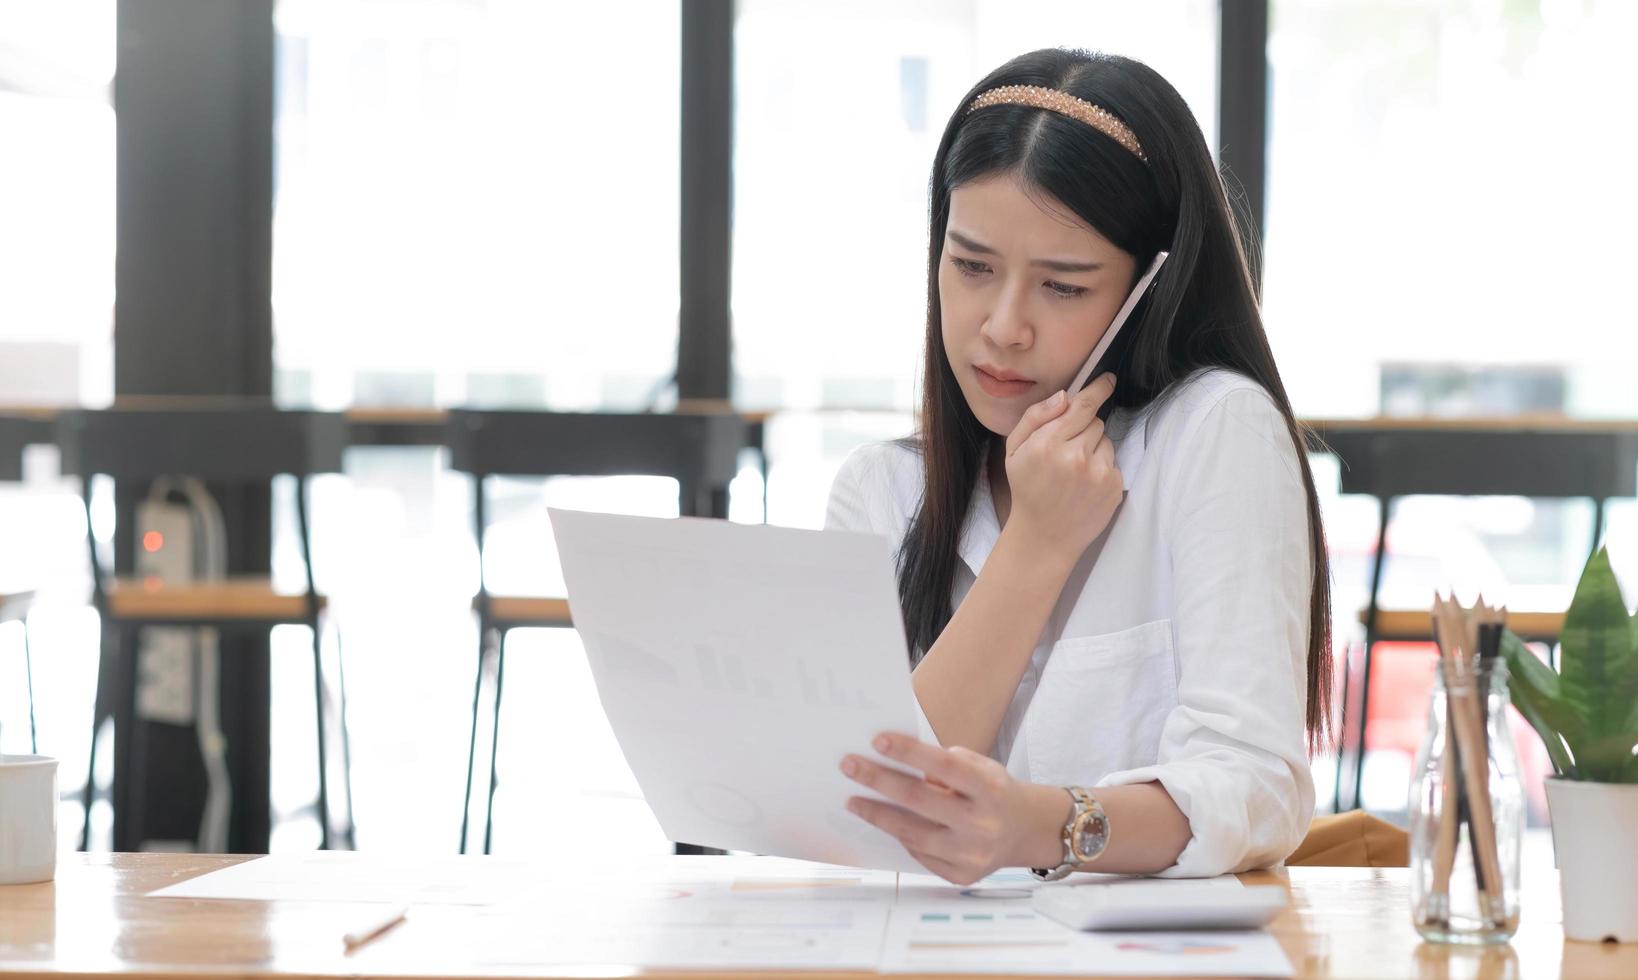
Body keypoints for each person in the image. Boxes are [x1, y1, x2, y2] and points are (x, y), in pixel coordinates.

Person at [828, 48, 1333, 885]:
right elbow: (877, 807)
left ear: (1150, 290)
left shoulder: (1212, 434)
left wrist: (1043, 825)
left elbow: (1255, 786)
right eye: (972, 267)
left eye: (1063, 287)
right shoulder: (882, 490)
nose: (1003, 326)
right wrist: (1036, 546)